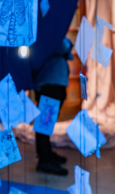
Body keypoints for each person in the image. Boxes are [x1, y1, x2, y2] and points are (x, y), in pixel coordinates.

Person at [32, 36, 74, 175]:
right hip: (49, 82)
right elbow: (63, 46)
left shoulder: (54, 32)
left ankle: (47, 154)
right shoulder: (49, 32)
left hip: (55, 81)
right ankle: (44, 160)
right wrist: (65, 46)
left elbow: (67, 50)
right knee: (44, 124)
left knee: (47, 123)